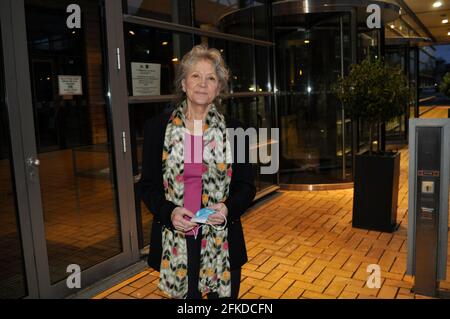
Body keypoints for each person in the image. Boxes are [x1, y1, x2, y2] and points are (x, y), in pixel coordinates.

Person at [140, 44, 256, 299]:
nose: (203, 83)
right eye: (195, 76)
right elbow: (147, 186)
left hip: (220, 241)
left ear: (218, 89)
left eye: (211, 78)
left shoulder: (234, 130)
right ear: (183, 84)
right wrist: (169, 212)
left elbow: (246, 187)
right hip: (178, 240)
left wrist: (227, 208)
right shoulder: (157, 129)